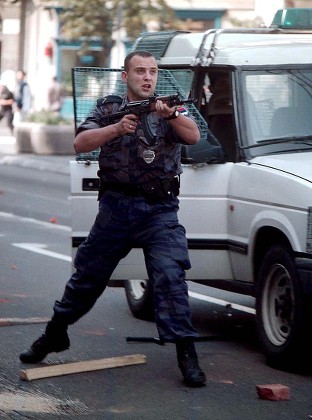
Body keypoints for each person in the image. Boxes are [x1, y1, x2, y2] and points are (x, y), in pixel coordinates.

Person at [19, 50, 206, 388]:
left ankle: (186, 352)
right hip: (116, 209)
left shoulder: (169, 107)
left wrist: (169, 117)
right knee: (87, 278)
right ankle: (55, 333)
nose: (147, 78)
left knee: (170, 276)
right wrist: (118, 128)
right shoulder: (109, 108)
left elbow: (193, 136)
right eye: (139, 72)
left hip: (159, 210)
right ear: (125, 77)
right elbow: (80, 143)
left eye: (151, 71)